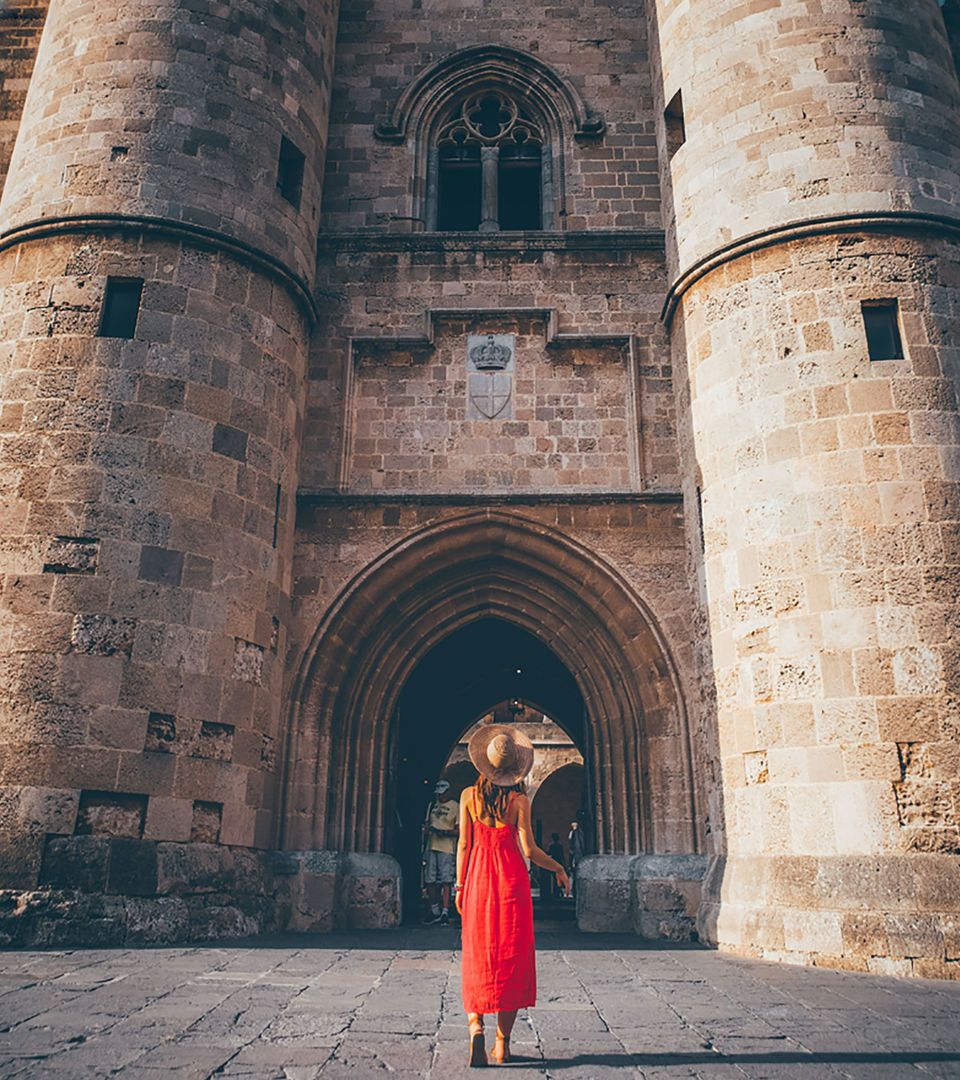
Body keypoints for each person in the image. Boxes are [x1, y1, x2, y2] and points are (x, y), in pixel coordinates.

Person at [456, 725, 570, 1067]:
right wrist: (559, 867)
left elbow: (463, 844)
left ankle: (476, 1025)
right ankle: (502, 1044)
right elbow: (530, 850)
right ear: (515, 767)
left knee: (477, 954)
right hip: (510, 884)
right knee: (511, 959)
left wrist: (459, 885)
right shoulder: (519, 801)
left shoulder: (468, 797)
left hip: (477, 880)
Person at [422, 778, 458, 925]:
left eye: (442, 794)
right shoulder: (432, 806)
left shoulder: (455, 806)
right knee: (430, 879)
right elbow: (426, 824)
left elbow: (458, 830)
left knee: (446, 880)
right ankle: (434, 909)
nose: (440, 797)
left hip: (447, 847)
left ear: (448, 792)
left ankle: (445, 911)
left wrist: (444, 832)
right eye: (438, 794)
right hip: (431, 845)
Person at [546, 832, 566, 899]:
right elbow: (562, 856)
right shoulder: (560, 846)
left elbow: (549, 853)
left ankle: (557, 892)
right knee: (558, 878)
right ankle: (559, 892)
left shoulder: (552, 846)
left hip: (553, 864)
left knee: (555, 879)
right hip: (559, 863)